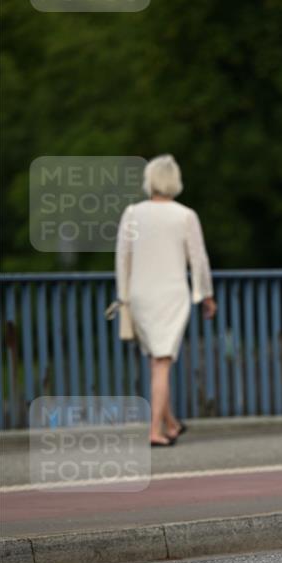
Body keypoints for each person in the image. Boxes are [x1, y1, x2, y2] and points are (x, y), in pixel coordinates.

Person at [115, 154, 217, 446]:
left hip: (139, 295)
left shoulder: (132, 213)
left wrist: (123, 298)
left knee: (156, 360)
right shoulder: (185, 216)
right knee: (162, 361)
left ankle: (170, 424)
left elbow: (123, 259)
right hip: (171, 295)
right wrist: (206, 296)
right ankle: (155, 431)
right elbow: (198, 261)